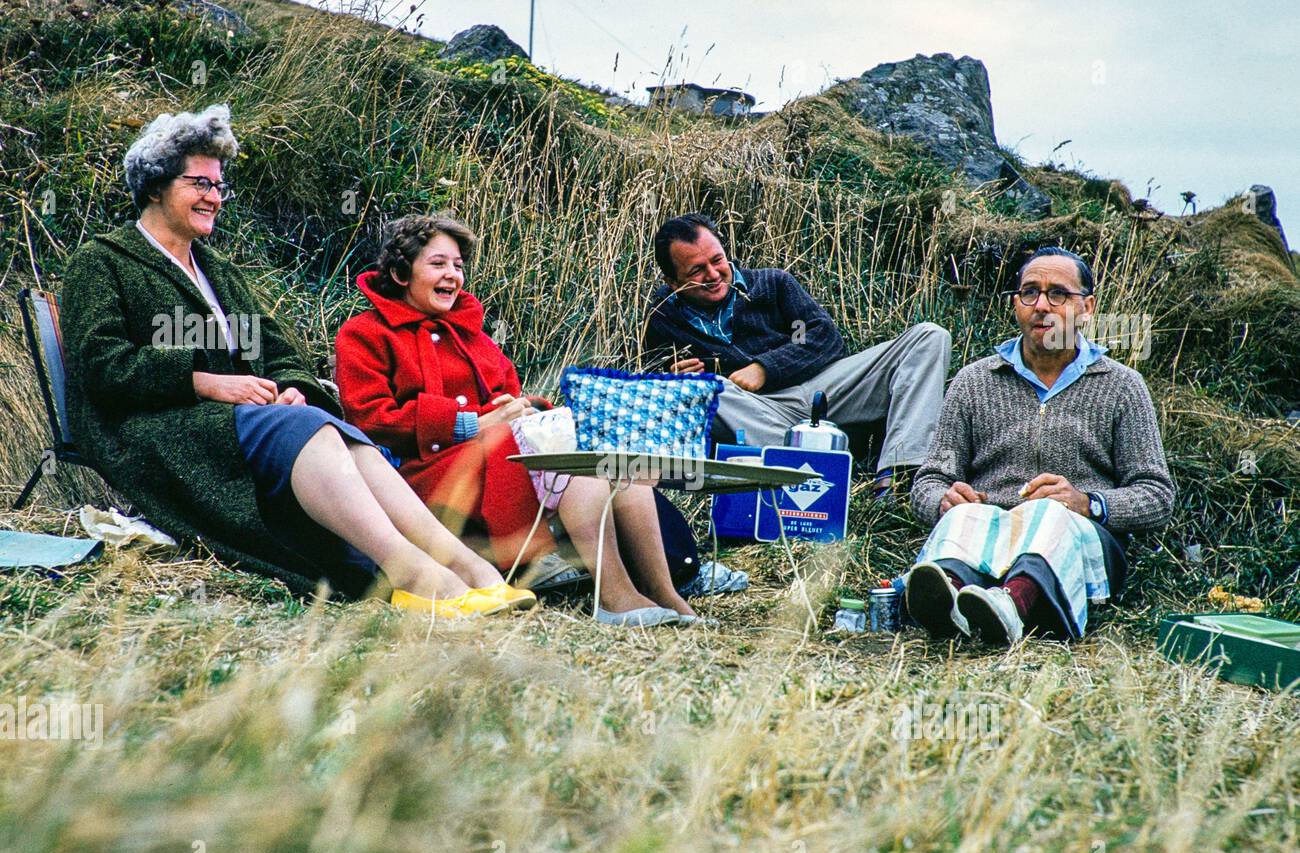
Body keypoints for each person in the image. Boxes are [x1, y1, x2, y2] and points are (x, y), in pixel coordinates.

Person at [61, 105, 526, 619]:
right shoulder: (102, 260)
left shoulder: (216, 270)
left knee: (343, 434)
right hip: (155, 429)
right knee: (311, 430)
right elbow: (100, 366)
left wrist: (291, 386)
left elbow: (278, 350)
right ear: (154, 186)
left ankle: (469, 567)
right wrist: (205, 382)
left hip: (234, 421)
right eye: (201, 183)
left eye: (219, 187)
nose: (214, 197)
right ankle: (415, 576)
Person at [335, 214, 699, 627]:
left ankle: (666, 595)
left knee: (609, 460)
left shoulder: (474, 335)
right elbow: (369, 419)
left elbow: (506, 398)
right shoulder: (364, 333)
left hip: (499, 465)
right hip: (429, 478)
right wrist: (473, 423)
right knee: (573, 464)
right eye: (438, 264)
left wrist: (530, 409)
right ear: (401, 272)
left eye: (457, 265)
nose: (452, 275)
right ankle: (614, 597)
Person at [906, 247, 1175, 644]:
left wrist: (1089, 503)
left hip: (1079, 540)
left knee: (1049, 515)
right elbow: (929, 480)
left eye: (1059, 294)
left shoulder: (1122, 386)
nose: (1042, 306)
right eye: (1029, 293)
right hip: (990, 536)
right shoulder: (973, 381)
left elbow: (1157, 495)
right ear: (1016, 305)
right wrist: (943, 501)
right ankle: (944, 598)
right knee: (966, 518)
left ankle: (1011, 607)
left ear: (1087, 307)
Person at [641, 212, 952, 497]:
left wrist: (764, 368)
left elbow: (821, 337)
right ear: (672, 281)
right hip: (756, 413)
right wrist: (674, 381)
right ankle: (822, 471)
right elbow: (653, 388)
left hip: (825, 389)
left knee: (929, 337)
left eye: (717, 260)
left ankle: (898, 473)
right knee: (699, 390)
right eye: (697, 269)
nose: (714, 274)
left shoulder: (771, 284)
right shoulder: (662, 318)